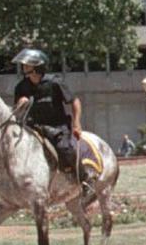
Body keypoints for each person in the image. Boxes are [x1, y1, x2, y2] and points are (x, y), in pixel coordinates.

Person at [11, 48, 92, 195]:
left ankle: (84, 179)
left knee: (65, 149)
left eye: (27, 64)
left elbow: (74, 102)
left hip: (57, 127)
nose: (23, 67)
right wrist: (20, 104)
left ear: (37, 65)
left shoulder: (55, 82)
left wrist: (76, 123)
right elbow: (16, 111)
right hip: (32, 128)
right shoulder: (21, 87)